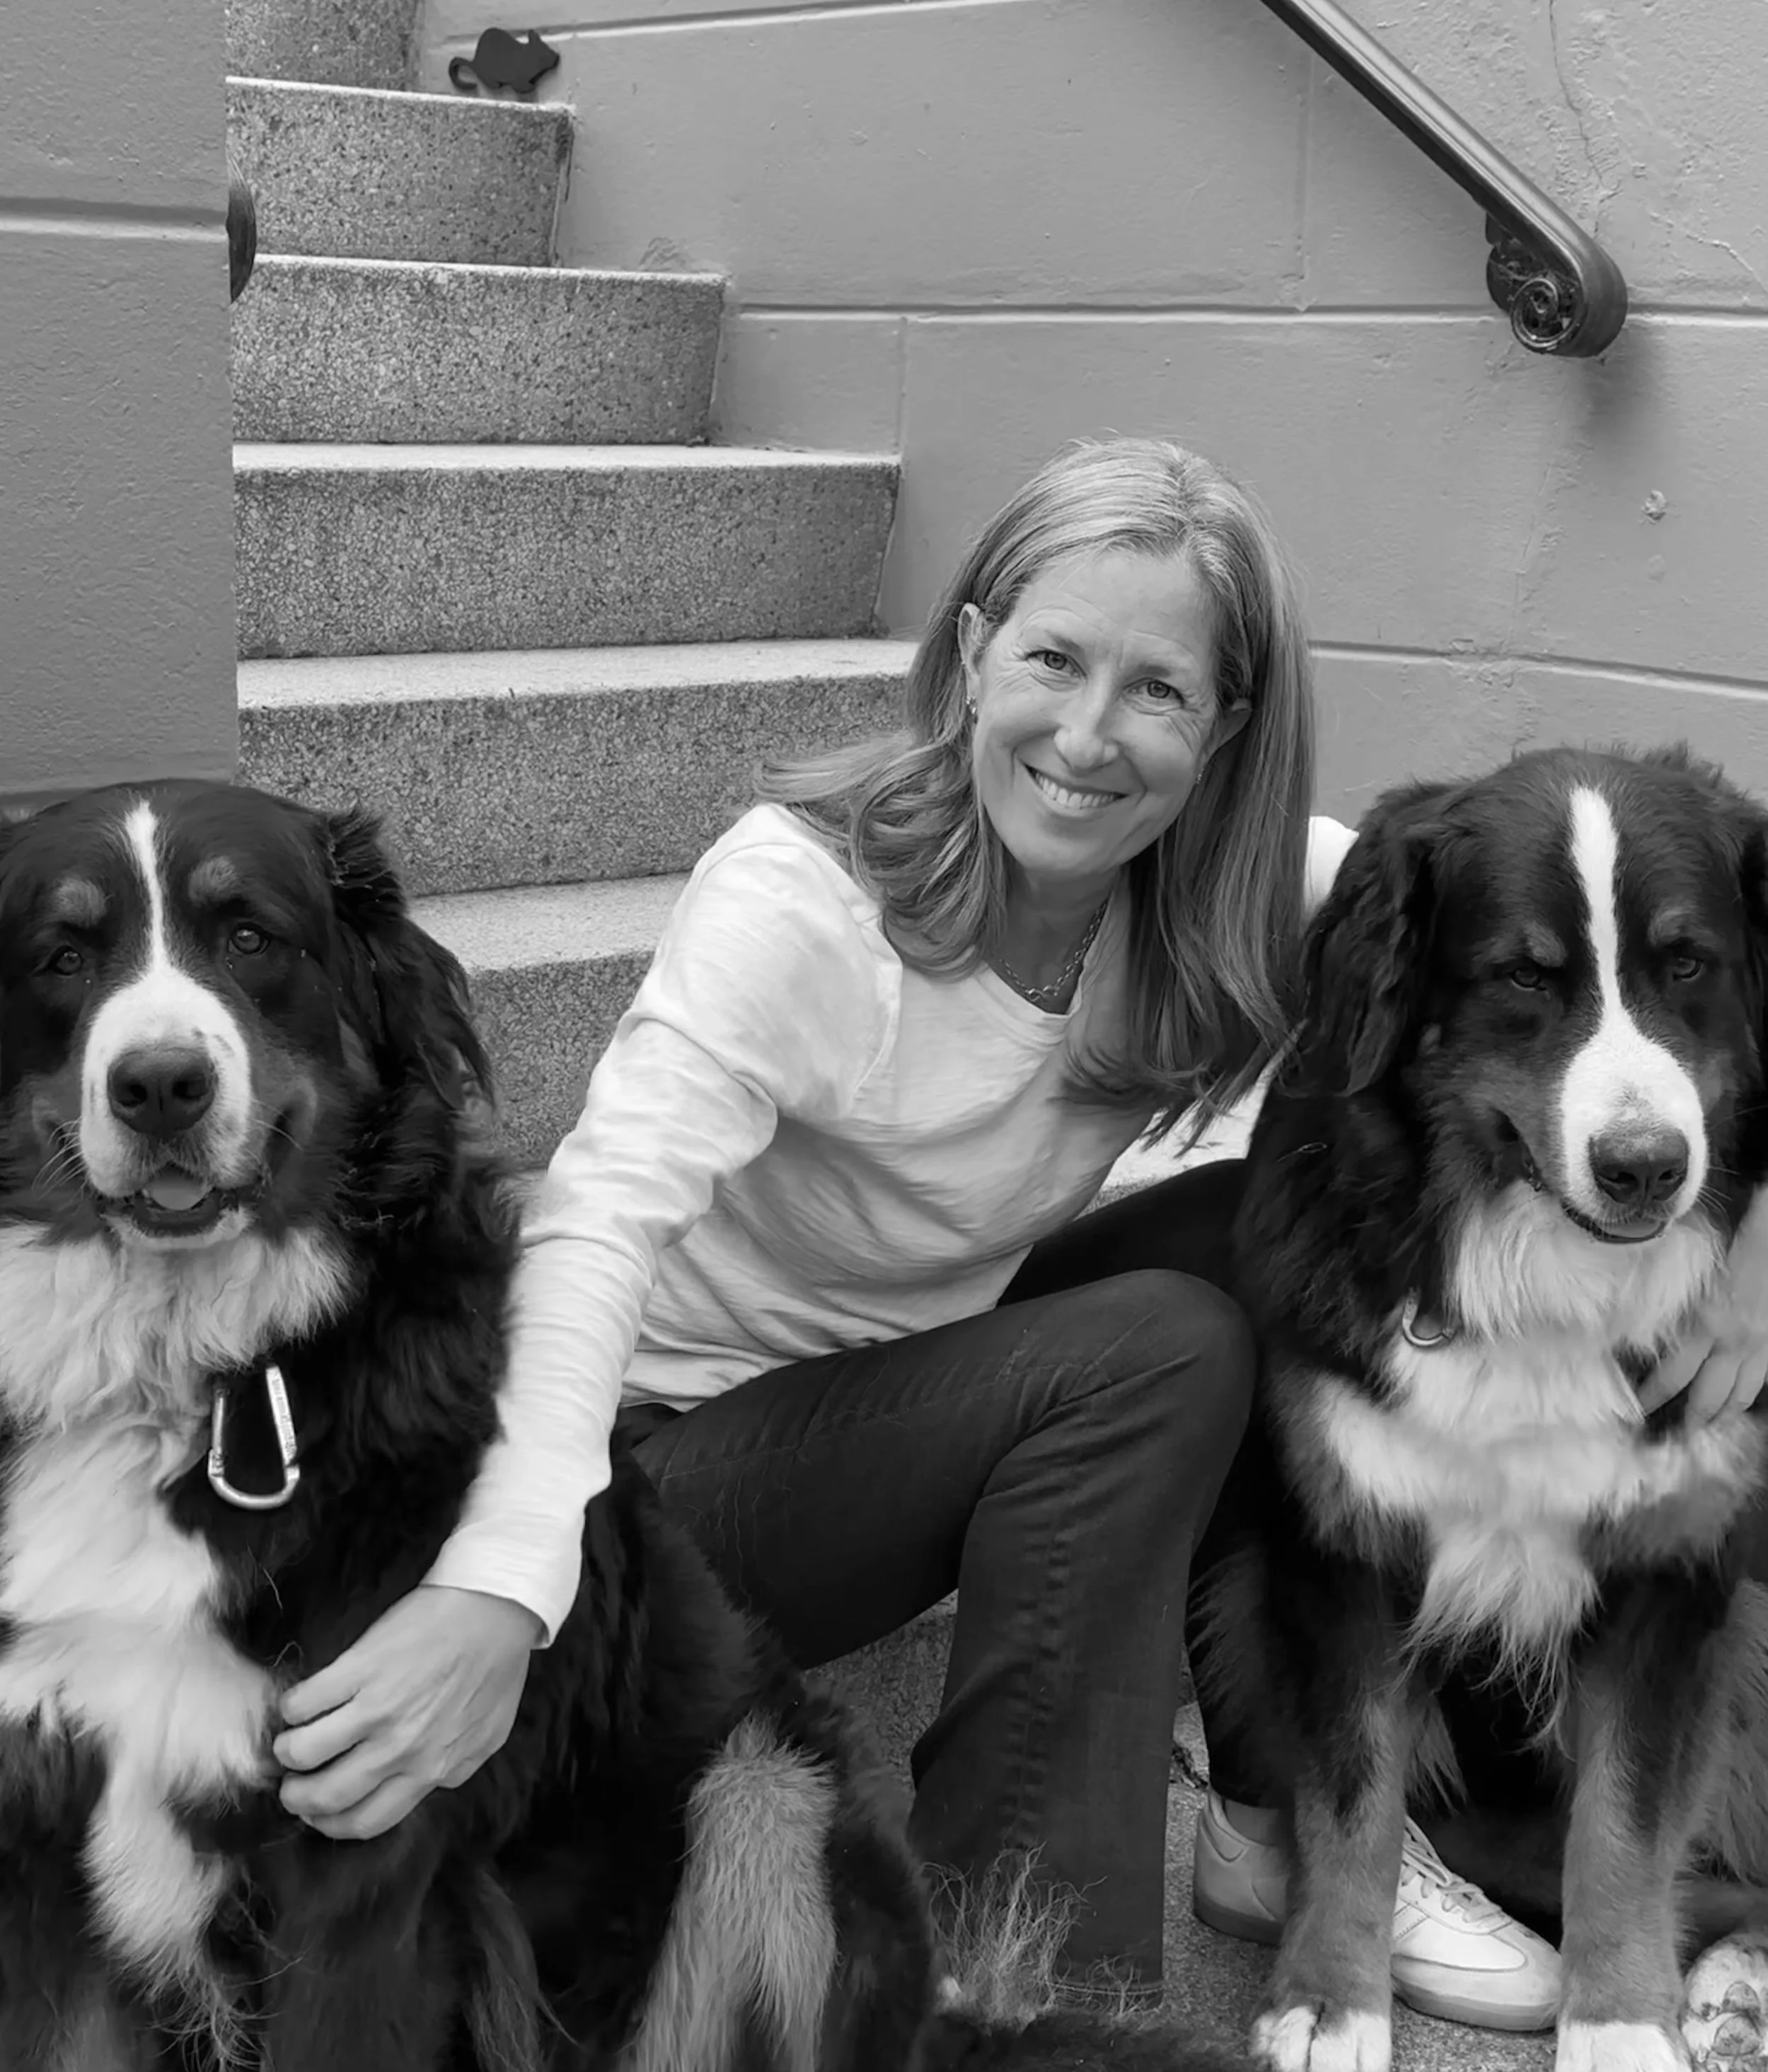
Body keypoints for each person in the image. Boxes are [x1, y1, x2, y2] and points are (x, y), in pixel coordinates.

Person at [265, 435, 1555, 2010]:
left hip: (915, 1400)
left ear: (1224, 728)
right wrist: (499, 1579)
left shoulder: (1232, 901)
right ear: (968, 656)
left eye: (1156, 690)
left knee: (1252, 1232)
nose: (1087, 737)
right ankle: (1034, 1996)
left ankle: (1265, 1811)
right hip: (655, 1478)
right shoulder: (801, 899)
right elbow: (595, 1220)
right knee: (1157, 1349)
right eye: (1054, 659)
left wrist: (1734, 1315)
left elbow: (1565, 929)